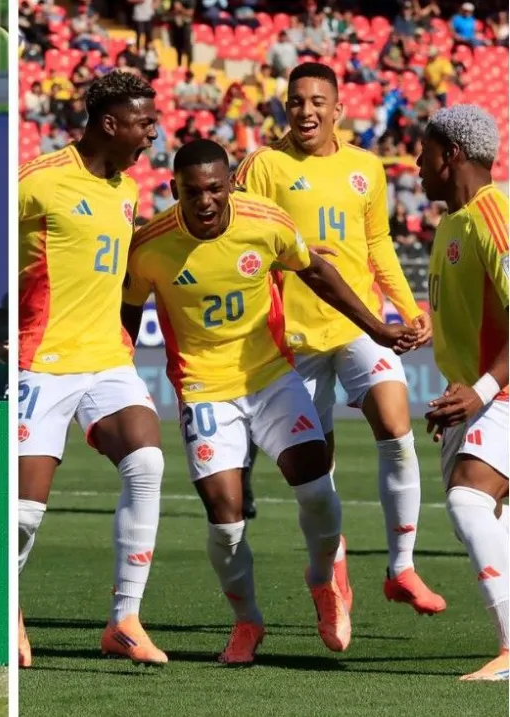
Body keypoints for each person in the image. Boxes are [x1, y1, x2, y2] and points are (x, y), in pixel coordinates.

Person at [122, 139, 416, 663]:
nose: (206, 201)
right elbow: (124, 313)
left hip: (273, 377)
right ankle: (247, 622)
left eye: (216, 188)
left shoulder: (265, 221)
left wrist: (378, 327)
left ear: (231, 185)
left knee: (316, 490)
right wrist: (119, 376)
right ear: (175, 191)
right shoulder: (150, 246)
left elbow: (318, 272)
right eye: (193, 192)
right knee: (226, 517)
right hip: (204, 389)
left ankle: (324, 581)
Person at [235, 62, 444, 617]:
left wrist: (406, 306)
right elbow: (237, 244)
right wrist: (289, 257)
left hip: (357, 325)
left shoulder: (365, 168)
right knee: (317, 473)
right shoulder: (263, 165)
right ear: (284, 105)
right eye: (296, 101)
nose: (306, 111)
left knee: (397, 428)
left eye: (317, 101)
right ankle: (328, 574)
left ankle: (401, 567)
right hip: (293, 338)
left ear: (338, 109)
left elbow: (378, 246)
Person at [17, 71, 166, 668]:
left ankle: (124, 618)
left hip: (107, 358)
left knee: (148, 461)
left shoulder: (126, 190)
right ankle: (8, 613)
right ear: (110, 123)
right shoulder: (38, 182)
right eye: (143, 122)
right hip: (43, 362)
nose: (152, 132)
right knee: (25, 512)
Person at [417, 105, 509, 682]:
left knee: (469, 500)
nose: (416, 163)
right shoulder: (454, 223)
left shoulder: (494, 212)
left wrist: (479, 391)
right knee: (486, 512)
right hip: (478, 396)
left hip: (499, 393)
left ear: (450, 154)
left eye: (424, 151)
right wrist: (459, 400)